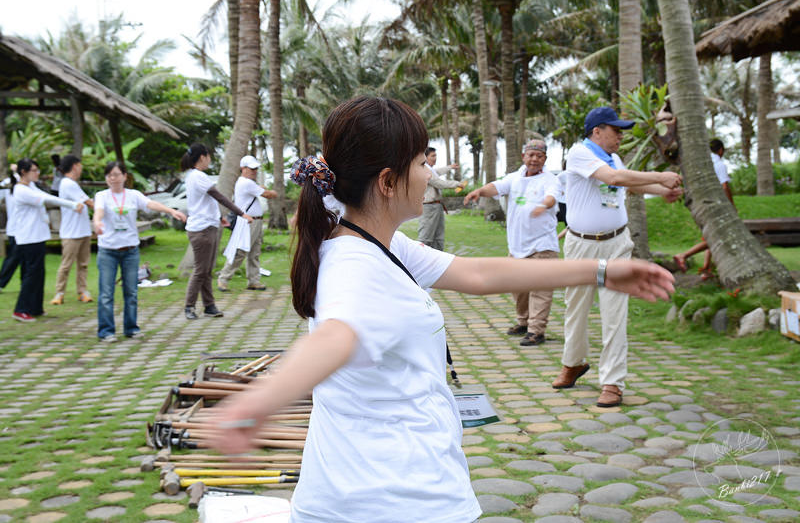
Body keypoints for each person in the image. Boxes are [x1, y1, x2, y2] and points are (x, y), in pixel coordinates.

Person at [206, 96, 675, 522]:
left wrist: (600, 271)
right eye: (420, 163)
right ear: (388, 182)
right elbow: (336, 337)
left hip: (381, 489)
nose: (429, 174)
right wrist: (256, 404)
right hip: (390, 501)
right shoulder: (353, 264)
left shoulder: (380, 242)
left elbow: (477, 275)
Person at [554, 106, 683, 407]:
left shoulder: (614, 158)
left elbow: (624, 183)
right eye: (615, 130)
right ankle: (573, 363)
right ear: (596, 131)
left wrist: (660, 190)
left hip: (617, 244)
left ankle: (612, 382)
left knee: (615, 313)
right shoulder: (579, 153)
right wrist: (661, 176)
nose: (620, 136)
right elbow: (613, 177)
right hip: (581, 246)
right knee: (576, 308)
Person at [463, 139, 560, 346]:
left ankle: (536, 331)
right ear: (524, 156)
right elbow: (495, 187)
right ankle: (524, 322)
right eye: (531, 155)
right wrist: (479, 191)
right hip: (518, 245)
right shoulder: (514, 178)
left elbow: (551, 197)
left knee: (540, 289)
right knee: (518, 288)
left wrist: (543, 205)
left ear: (545, 159)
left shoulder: (551, 180)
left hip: (543, 245)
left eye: (539, 156)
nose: (534, 159)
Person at [94, 161, 187, 342]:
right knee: (106, 293)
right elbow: (98, 211)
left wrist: (170, 211)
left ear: (124, 176)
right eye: (109, 175)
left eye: (116, 174)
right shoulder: (102, 196)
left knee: (131, 292)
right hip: (108, 250)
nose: (113, 178)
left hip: (130, 250)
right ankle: (106, 331)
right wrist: (97, 222)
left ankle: (131, 328)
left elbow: (151, 204)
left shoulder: (133, 195)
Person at [182, 143, 253, 320]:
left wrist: (219, 218)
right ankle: (189, 306)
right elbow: (219, 197)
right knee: (201, 270)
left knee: (206, 270)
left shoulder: (194, 176)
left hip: (207, 226)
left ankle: (209, 306)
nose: (210, 160)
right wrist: (241, 213)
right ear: (202, 157)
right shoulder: (198, 176)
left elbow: (205, 201)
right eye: (208, 156)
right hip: (202, 230)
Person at [10, 159, 85, 322]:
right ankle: (21, 310)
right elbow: (46, 200)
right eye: (34, 170)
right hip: (28, 238)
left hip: (37, 237)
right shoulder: (21, 190)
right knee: (31, 275)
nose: (37, 173)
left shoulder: (30, 186)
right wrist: (72, 205)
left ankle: (35, 308)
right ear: (24, 172)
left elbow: (45, 195)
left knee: (39, 274)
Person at [673, 138, 736, 279]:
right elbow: (724, 186)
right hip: (716, 205)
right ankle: (684, 255)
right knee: (716, 237)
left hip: (699, 203)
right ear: (720, 150)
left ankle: (706, 269)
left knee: (710, 236)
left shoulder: (703, 163)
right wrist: (731, 205)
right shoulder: (719, 164)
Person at [218, 155, 278, 291]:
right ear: (243, 168)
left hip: (255, 221)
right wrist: (274, 192)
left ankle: (253, 280)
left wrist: (263, 188)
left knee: (254, 253)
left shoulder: (246, 182)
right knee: (241, 251)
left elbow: (259, 189)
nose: (254, 171)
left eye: (255, 169)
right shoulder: (246, 183)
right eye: (251, 169)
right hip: (248, 222)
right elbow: (268, 194)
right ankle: (224, 278)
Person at [51, 155, 94, 305]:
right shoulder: (67, 183)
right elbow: (89, 202)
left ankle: (82, 291)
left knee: (83, 264)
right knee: (66, 265)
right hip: (71, 233)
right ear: (75, 166)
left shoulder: (72, 183)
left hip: (83, 231)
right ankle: (59, 293)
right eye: (80, 166)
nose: (81, 169)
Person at [418, 146, 467, 250]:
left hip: (437, 206)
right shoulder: (425, 169)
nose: (435, 158)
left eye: (436, 155)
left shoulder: (430, 169)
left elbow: (438, 171)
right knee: (426, 237)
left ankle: (437, 258)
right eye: (433, 156)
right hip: (429, 207)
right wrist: (457, 184)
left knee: (438, 238)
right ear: (425, 157)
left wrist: (450, 167)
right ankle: (419, 257)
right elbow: (438, 183)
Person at [0, 164, 21, 292]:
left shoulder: (31, 183)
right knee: (14, 257)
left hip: (28, 229)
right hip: (14, 228)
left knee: (24, 259)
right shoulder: (7, 183)